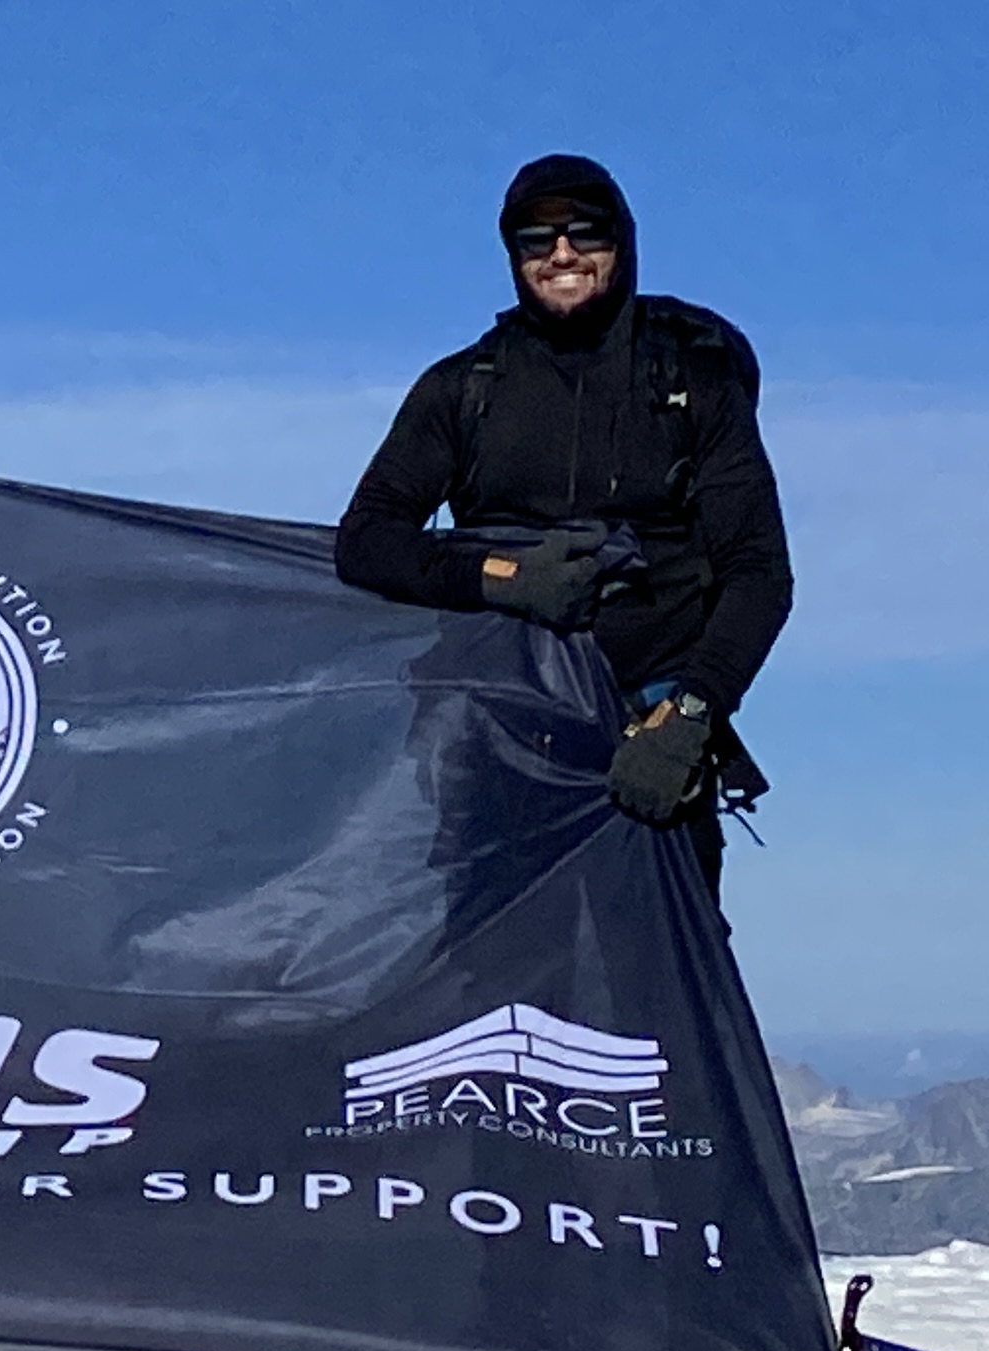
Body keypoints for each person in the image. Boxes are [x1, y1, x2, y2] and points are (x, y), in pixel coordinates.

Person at [333, 155, 791, 889]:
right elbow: (366, 541)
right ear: (511, 254)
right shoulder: (463, 390)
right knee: (486, 994)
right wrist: (499, 580)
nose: (562, 254)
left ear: (623, 241)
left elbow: (760, 575)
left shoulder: (692, 377)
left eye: (586, 232)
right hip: (494, 750)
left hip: (650, 755)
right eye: (535, 239)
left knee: (654, 993)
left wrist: (689, 720)